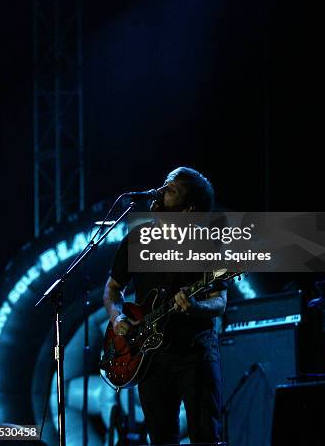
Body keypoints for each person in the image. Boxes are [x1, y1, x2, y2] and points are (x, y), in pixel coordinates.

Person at [103, 166, 227, 445]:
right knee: (160, 439)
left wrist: (196, 306)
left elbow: (220, 301)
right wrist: (116, 315)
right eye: (164, 185)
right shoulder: (136, 239)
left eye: (171, 191)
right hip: (149, 357)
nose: (160, 193)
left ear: (187, 210)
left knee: (205, 436)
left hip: (194, 353)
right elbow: (112, 288)